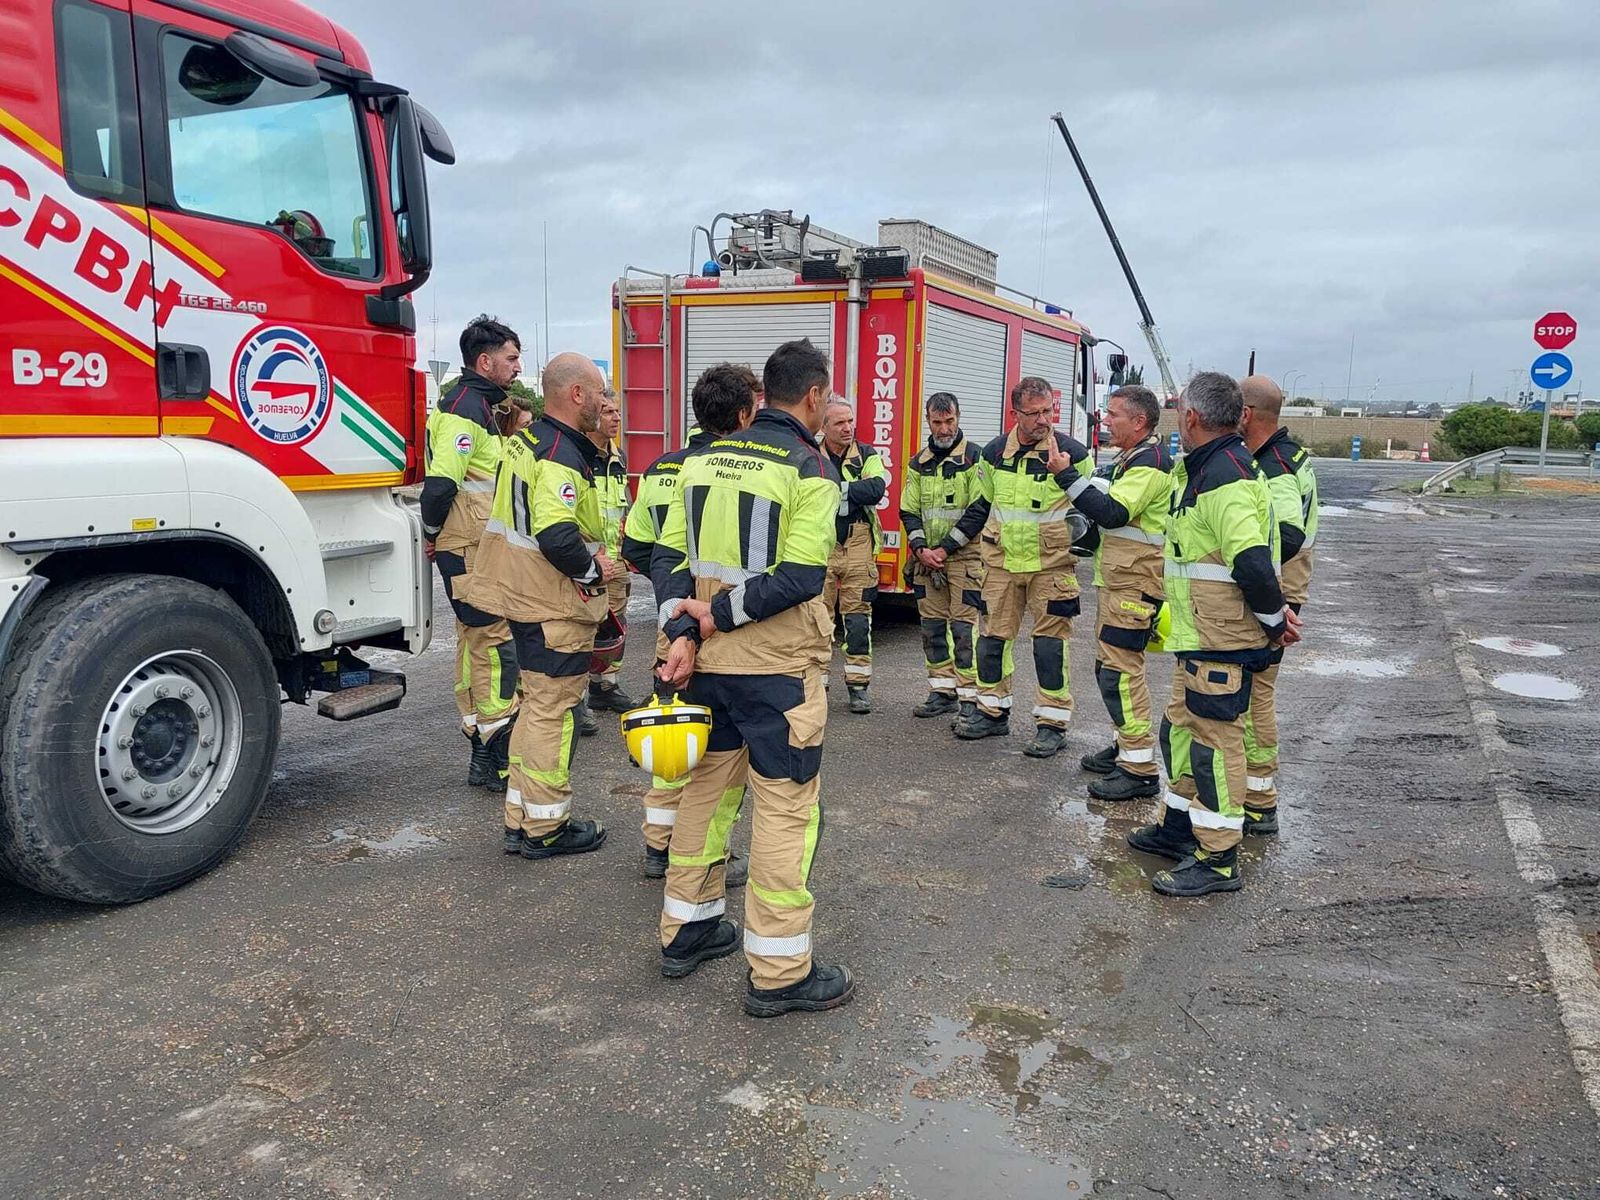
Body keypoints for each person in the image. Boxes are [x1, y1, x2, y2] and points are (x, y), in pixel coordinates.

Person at [652, 337, 854, 1017]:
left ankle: (688, 928)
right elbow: (798, 578)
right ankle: (779, 970)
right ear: (816, 396)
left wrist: (686, 628)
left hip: (710, 667)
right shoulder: (809, 469)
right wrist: (712, 619)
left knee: (706, 794)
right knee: (785, 808)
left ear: (764, 393)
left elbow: (671, 556)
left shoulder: (699, 458)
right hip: (773, 668)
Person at [1125, 372, 1302, 897]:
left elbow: (1249, 558)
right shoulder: (1205, 467)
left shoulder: (1224, 476)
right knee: (1179, 730)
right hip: (1199, 635)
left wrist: (1274, 620)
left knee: (1214, 746)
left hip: (1223, 638)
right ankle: (1179, 829)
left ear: (1193, 417)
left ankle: (1220, 857)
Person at [462, 352, 619, 860]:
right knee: (554, 712)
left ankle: (521, 817)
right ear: (577, 395)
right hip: (554, 605)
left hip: (522, 596)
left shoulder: (528, 440)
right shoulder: (560, 454)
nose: (605, 400)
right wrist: (597, 570)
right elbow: (556, 533)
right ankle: (547, 828)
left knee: (533, 709)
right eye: (599, 391)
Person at [620, 363, 757, 886]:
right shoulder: (752, 467)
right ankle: (700, 852)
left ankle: (660, 845)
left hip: (672, 618)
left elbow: (638, 544)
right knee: (717, 746)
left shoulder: (662, 468)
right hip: (726, 623)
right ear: (745, 412)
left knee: (671, 728)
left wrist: (669, 597)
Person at [951, 376, 1093, 758]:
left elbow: (1087, 509)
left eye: (1048, 411)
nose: (1043, 420)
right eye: (1033, 414)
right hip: (1000, 565)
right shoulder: (994, 454)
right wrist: (951, 544)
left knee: (1049, 648)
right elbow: (982, 505)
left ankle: (1051, 723)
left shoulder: (1073, 454)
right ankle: (992, 712)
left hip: (1052, 567)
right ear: (1015, 413)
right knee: (992, 641)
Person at [419, 315, 523, 789]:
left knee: (475, 644)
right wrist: (431, 530)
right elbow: (440, 485)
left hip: (468, 546)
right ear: (485, 361)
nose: (518, 367)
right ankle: (494, 755)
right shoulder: (464, 409)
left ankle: (483, 747)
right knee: (494, 646)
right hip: (467, 547)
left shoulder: (477, 406)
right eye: (511, 358)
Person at [1066, 384, 1176, 801]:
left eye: (1113, 414)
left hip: (1136, 584)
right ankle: (1127, 744)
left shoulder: (1149, 463)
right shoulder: (1133, 457)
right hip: (1120, 580)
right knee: (1107, 667)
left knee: (1120, 673)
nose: (1104, 420)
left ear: (1140, 421)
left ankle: (1139, 768)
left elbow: (1114, 513)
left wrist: (1066, 477)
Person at [1238, 376, 1319, 836]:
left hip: (1277, 592)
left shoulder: (1275, 466)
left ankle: (1259, 799)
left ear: (1246, 414)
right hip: (1283, 588)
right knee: (1255, 694)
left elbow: (1286, 533)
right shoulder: (1286, 457)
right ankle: (1257, 794)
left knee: (1254, 696)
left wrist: (1250, 573)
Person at [899, 391, 985, 721]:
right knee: (932, 629)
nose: (944, 429)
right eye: (938, 422)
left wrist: (944, 548)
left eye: (950, 421)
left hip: (964, 560)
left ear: (958, 418)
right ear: (928, 421)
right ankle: (941, 691)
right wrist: (921, 549)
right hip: (927, 563)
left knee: (964, 631)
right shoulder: (918, 463)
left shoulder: (974, 458)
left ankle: (969, 698)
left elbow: (979, 509)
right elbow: (909, 509)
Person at [819, 398, 887, 715]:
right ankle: (816, 686)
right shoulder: (809, 455)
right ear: (823, 426)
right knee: (817, 620)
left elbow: (875, 489)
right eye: (839, 423)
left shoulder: (867, 454)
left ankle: (858, 688)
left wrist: (832, 490)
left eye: (850, 421)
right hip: (820, 544)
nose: (848, 428)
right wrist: (851, 489)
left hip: (858, 541)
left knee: (858, 620)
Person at [586, 387, 637, 722]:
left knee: (614, 626)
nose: (616, 418)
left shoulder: (618, 457)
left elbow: (624, 507)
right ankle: (576, 699)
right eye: (608, 412)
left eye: (617, 412)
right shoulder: (578, 456)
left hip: (615, 561)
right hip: (586, 562)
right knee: (582, 628)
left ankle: (605, 686)